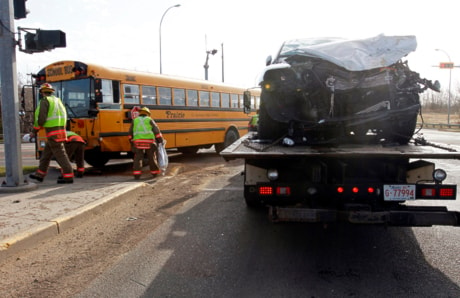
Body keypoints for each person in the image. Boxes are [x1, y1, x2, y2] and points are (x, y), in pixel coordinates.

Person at [29, 83, 74, 184]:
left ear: (42, 92)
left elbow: (41, 119)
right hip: (60, 130)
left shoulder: (45, 101)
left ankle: (68, 176)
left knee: (60, 154)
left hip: (52, 132)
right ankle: (40, 174)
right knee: (46, 154)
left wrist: (34, 131)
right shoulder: (58, 101)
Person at [128, 107, 164, 180]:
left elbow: (130, 133)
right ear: (148, 114)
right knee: (151, 157)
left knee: (138, 158)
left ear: (140, 113)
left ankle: (137, 174)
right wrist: (161, 140)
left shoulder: (135, 120)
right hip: (149, 142)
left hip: (137, 142)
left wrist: (131, 142)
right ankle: (154, 173)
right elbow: (156, 131)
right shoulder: (150, 120)